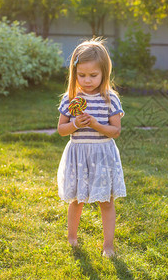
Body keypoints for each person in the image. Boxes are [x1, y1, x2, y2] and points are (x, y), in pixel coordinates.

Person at [56, 38, 126, 258]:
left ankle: (108, 246)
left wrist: (95, 124)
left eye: (93, 75)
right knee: (76, 199)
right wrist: (75, 123)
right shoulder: (71, 99)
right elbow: (61, 130)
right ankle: (72, 239)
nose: (87, 80)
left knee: (106, 201)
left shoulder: (110, 99)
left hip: (102, 155)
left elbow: (115, 131)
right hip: (78, 156)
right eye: (81, 75)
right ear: (74, 73)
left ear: (104, 73)